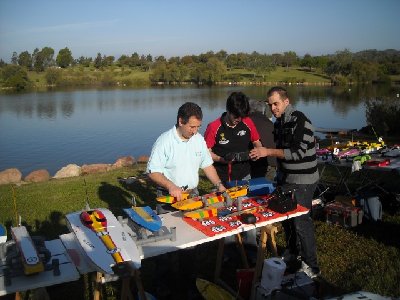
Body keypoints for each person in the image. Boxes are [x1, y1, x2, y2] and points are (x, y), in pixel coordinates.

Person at [249, 86, 321, 278]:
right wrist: (279, 177)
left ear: (286, 101)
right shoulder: (280, 122)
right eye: (270, 104)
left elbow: (297, 153)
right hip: (287, 179)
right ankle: (292, 255)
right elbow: (283, 155)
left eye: (276, 104)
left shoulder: (300, 120)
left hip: (304, 179)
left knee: (301, 222)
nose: (273, 108)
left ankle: (311, 266)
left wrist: (267, 152)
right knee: (287, 219)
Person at [147, 101, 226, 202]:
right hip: (169, 196)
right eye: (192, 127)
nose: (195, 131)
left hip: (193, 194)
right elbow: (153, 172)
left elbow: (207, 166)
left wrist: (219, 185)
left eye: (198, 127)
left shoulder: (199, 139)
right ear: (180, 121)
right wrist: (171, 186)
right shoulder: (164, 141)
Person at [204, 92, 262, 184]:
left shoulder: (248, 122)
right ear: (228, 110)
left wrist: (257, 152)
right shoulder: (213, 127)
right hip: (220, 178)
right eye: (236, 116)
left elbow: (256, 142)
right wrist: (221, 159)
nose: (239, 119)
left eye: (241, 116)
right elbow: (206, 152)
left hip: (244, 176)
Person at [248, 99, 277, 181]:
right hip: (273, 162)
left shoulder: (247, 122)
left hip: (258, 163)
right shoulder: (270, 123)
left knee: (255, 188)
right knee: (267, 189)